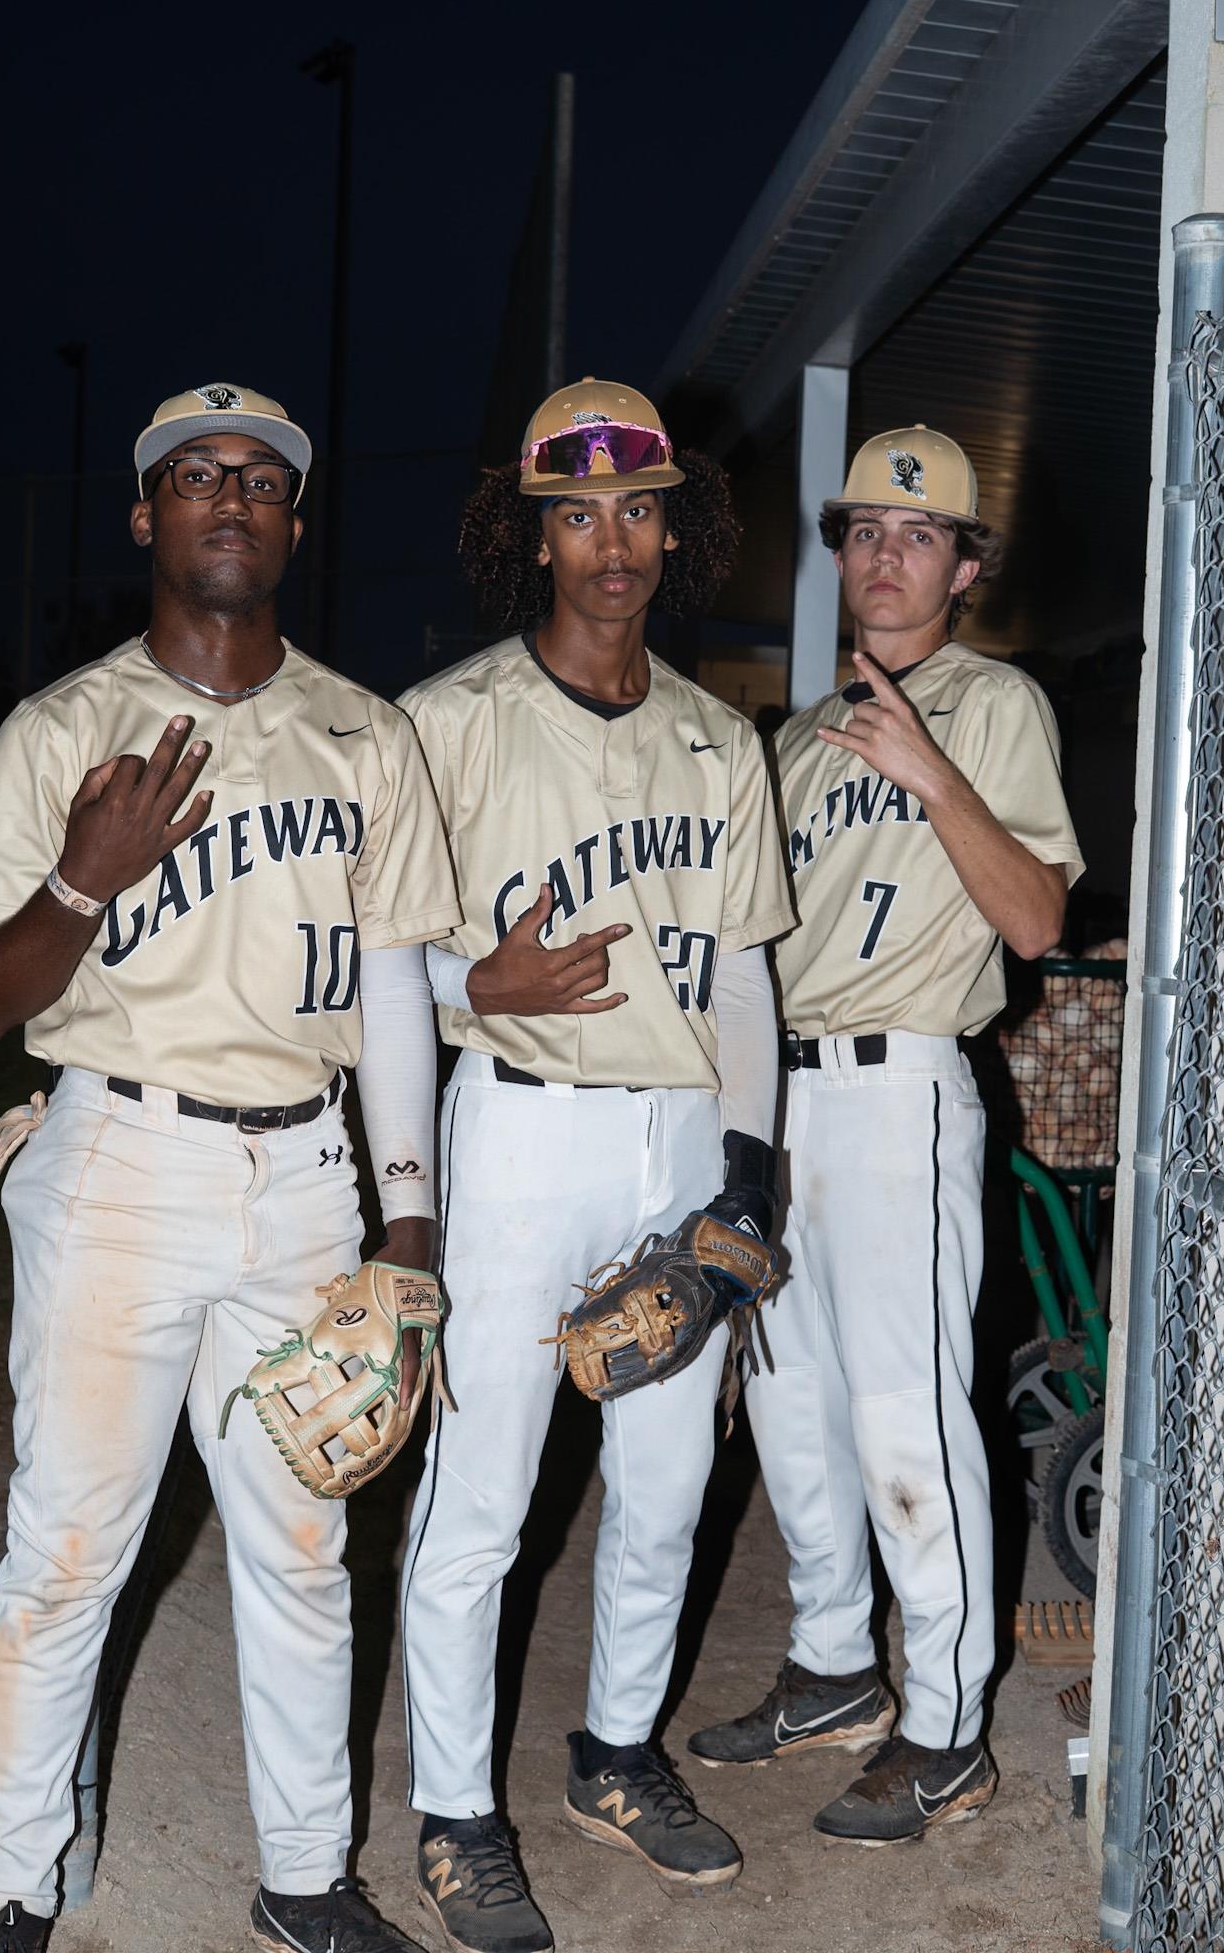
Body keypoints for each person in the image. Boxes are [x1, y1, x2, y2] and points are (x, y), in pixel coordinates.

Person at [0, 383, 460, 1953]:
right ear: (145, 517)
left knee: (305, 1549)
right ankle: (6, 1894)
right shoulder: (61, 728)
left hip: (306, 1178)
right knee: (68, 1554)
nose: (227, 498)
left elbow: (390, 993)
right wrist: (84, 884)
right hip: (112, 1156)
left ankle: (306, 1879)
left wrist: (412, 1214)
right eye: (193, 476)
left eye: (259, 480)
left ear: (293, 524)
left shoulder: (364, 732)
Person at [395, 380, 796, 1952]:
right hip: (517, 1129)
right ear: (530, 531)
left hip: (676, 1135)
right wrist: (469, 991)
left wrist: (748, 1167)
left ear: (676, 523)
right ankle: (450, 1812)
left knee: (668, 1480)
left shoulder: (716, 739)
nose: (611, 545)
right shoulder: (449, 722)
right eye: (576, 513)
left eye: (638, 509)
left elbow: (748, 976)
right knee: (482, 1496)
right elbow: (384, 970)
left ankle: (615, 1755)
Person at [688, 424, 1083, 1844]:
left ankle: (945, 1732)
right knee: (792, 1414)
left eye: (917, 534)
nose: (884, 555)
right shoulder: (791, 738)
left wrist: (931, 776)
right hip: (778, 1101)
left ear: (963, 565)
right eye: (862, 530)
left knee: (904, 1417)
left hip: (901, 1091)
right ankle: (837, 1669)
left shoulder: (993, 708)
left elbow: (1035, 921)